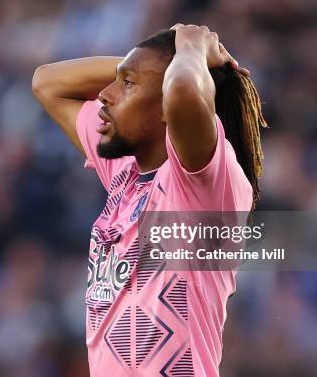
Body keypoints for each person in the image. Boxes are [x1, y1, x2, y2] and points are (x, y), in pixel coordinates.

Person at [32, 24, 266, 376]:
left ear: (165, 108)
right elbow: (47, 83)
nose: (104, 95)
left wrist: (192, 43)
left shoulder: (203, 184)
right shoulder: (124, 172)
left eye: (126, 84)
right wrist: (137, 67)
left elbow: (185, 89)